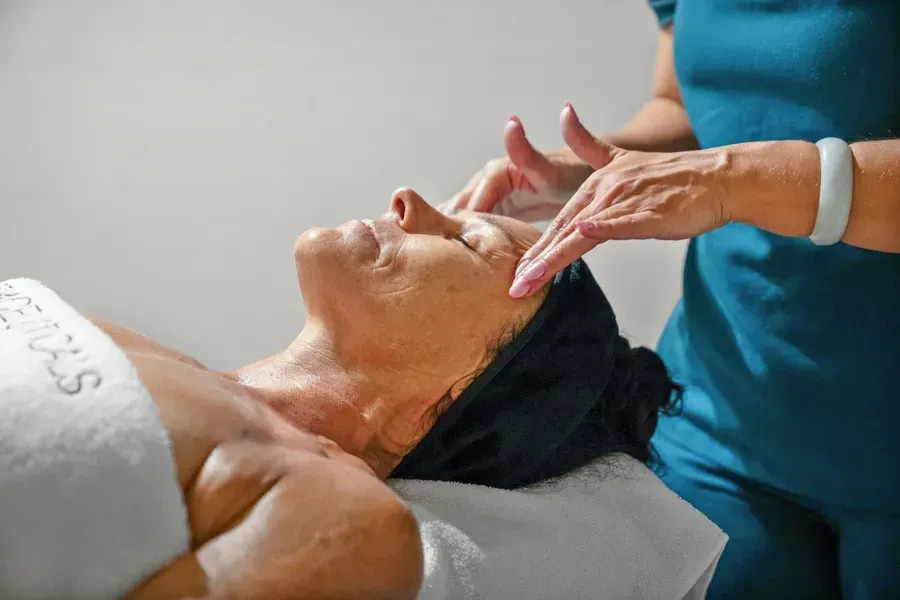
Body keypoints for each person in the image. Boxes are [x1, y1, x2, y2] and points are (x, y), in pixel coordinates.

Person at [1, 188, 678, 599]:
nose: (409, 203)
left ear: (450, 394)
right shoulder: (132, 343)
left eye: (470, 243)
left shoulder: (341, 519)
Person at [446, 3, 900, 599]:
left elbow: (721, 165)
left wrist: (725, 179)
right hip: (722, 413)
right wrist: (591, 173)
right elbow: (685, 104)